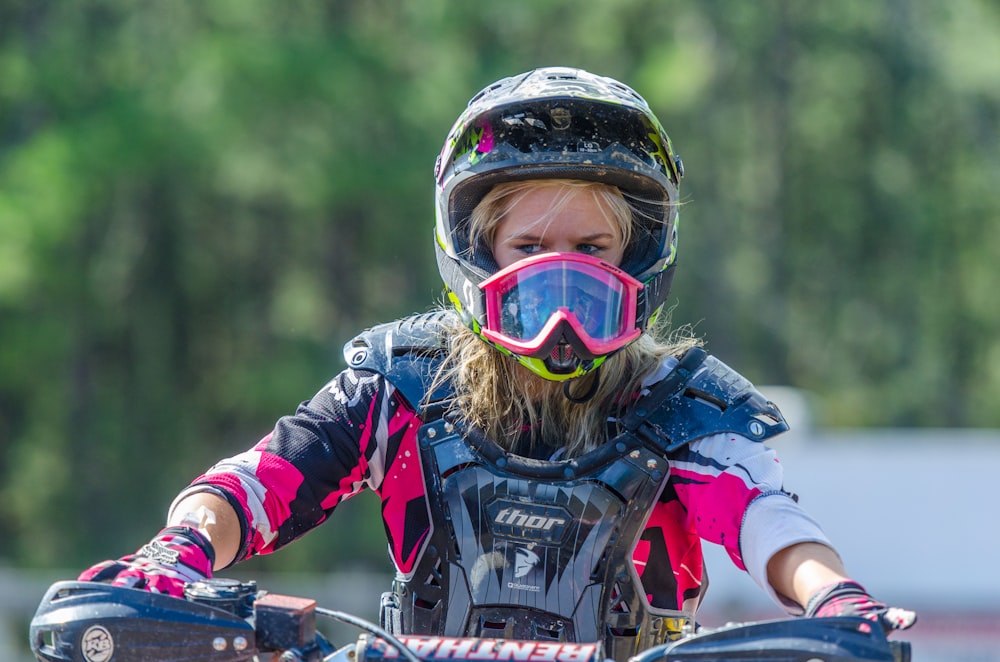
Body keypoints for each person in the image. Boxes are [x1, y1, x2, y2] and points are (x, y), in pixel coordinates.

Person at [79, 67, 915, 660]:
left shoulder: (684, 405)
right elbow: (265, 477)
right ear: (476, 253)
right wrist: (173, 554)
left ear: (640, 256)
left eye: (591, 248)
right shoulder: (402, 383)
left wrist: (833, 598)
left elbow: (765, 517)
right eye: (530, 248)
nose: (561, 286)